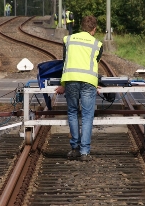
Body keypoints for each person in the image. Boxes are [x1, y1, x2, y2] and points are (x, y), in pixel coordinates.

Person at [55, 15, 103, 161]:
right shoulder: (98, 44)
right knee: (88, 115)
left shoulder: (68, 40)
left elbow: (65, 61)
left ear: (82, 27)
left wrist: (62, 84)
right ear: (94, 29)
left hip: (70, 80)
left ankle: (74, 148)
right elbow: (95, 62)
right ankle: (84, 152)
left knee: (73, 112)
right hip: (89, 82)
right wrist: (94, 83)